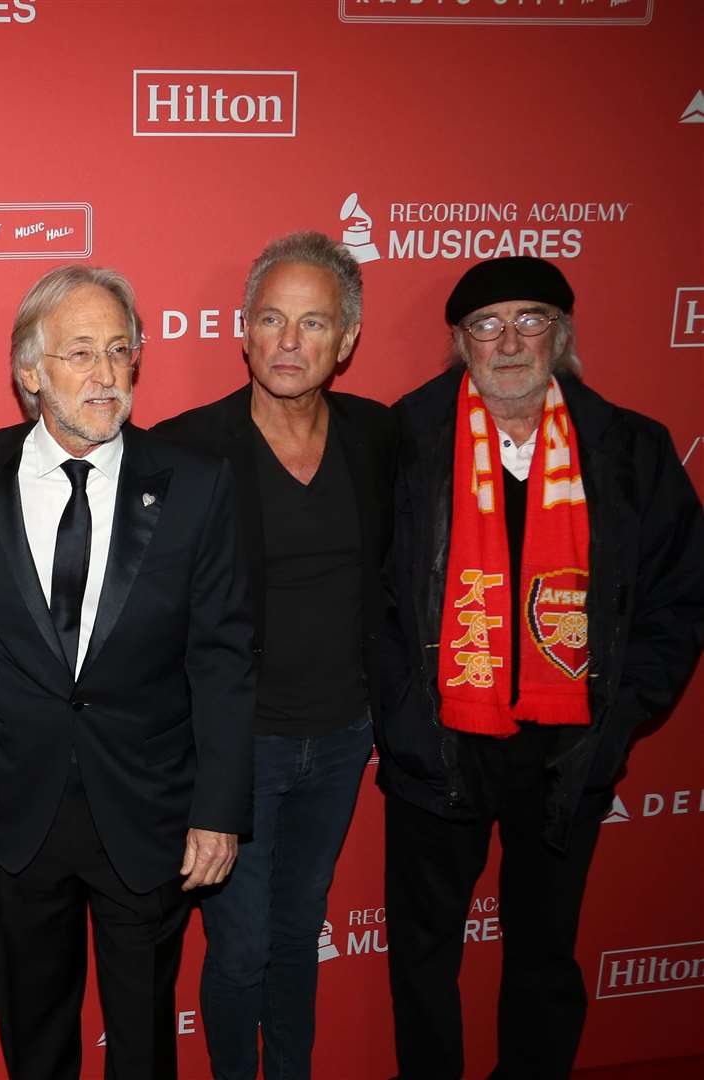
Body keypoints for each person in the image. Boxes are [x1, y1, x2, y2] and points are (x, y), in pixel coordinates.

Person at [378, 255, 704, 1080]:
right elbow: (365, 596)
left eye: (532, 319)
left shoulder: (630, 450)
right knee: (422, 959)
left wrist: (621, 712)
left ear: (562, 335)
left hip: (567, 749)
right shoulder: (404, 440)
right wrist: (402, 713)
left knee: (543, 957)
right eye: (488, 324)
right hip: (439, 742)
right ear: (461, 343)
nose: (510, 341)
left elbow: (681, 594)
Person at [0, 265, 255, 1079]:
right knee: (35, 1034)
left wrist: (218, 810)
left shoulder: (193, 483)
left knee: (145, 1038)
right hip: (19, 805)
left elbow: (223, 655)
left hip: (148, 806)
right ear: (28, 372)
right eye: (80, 353)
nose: (106, 374)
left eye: (120, 351)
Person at [154, 232, 393, 1080]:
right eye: (272, 320)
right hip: (235, 749)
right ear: (243, 331)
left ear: (347, 340)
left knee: (299, 936)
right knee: (242, 945)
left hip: (340, 741)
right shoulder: (184, 449)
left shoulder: (379, 438)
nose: (290, 342)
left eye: (314, 323)